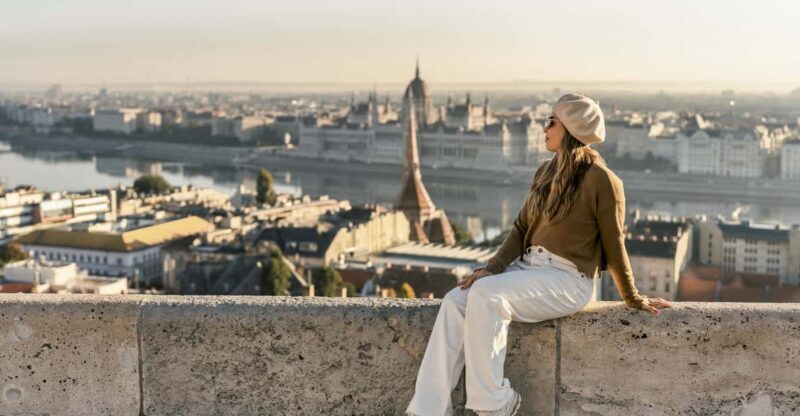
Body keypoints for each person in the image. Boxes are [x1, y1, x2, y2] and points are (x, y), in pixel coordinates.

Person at [405, 93, 673, 416]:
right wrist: (492, 268)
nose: (544, 128)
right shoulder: (544, 172)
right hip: (529, 267)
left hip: (568, 279)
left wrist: (632, 296)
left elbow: (615, 244)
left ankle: (495, 404)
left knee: (488, 297)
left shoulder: (604, 181)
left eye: (551, 122)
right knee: (455, 301)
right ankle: (427, 410)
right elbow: (520, 228)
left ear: (571, 129)